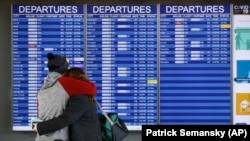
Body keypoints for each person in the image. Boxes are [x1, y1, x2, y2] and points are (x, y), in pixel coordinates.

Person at [35, 53, 97, 141]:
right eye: (68, 67)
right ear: (64, 69)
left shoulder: (42, 89)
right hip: (58, 138)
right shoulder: (65, 83)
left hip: (41, 137)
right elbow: (92, 89)